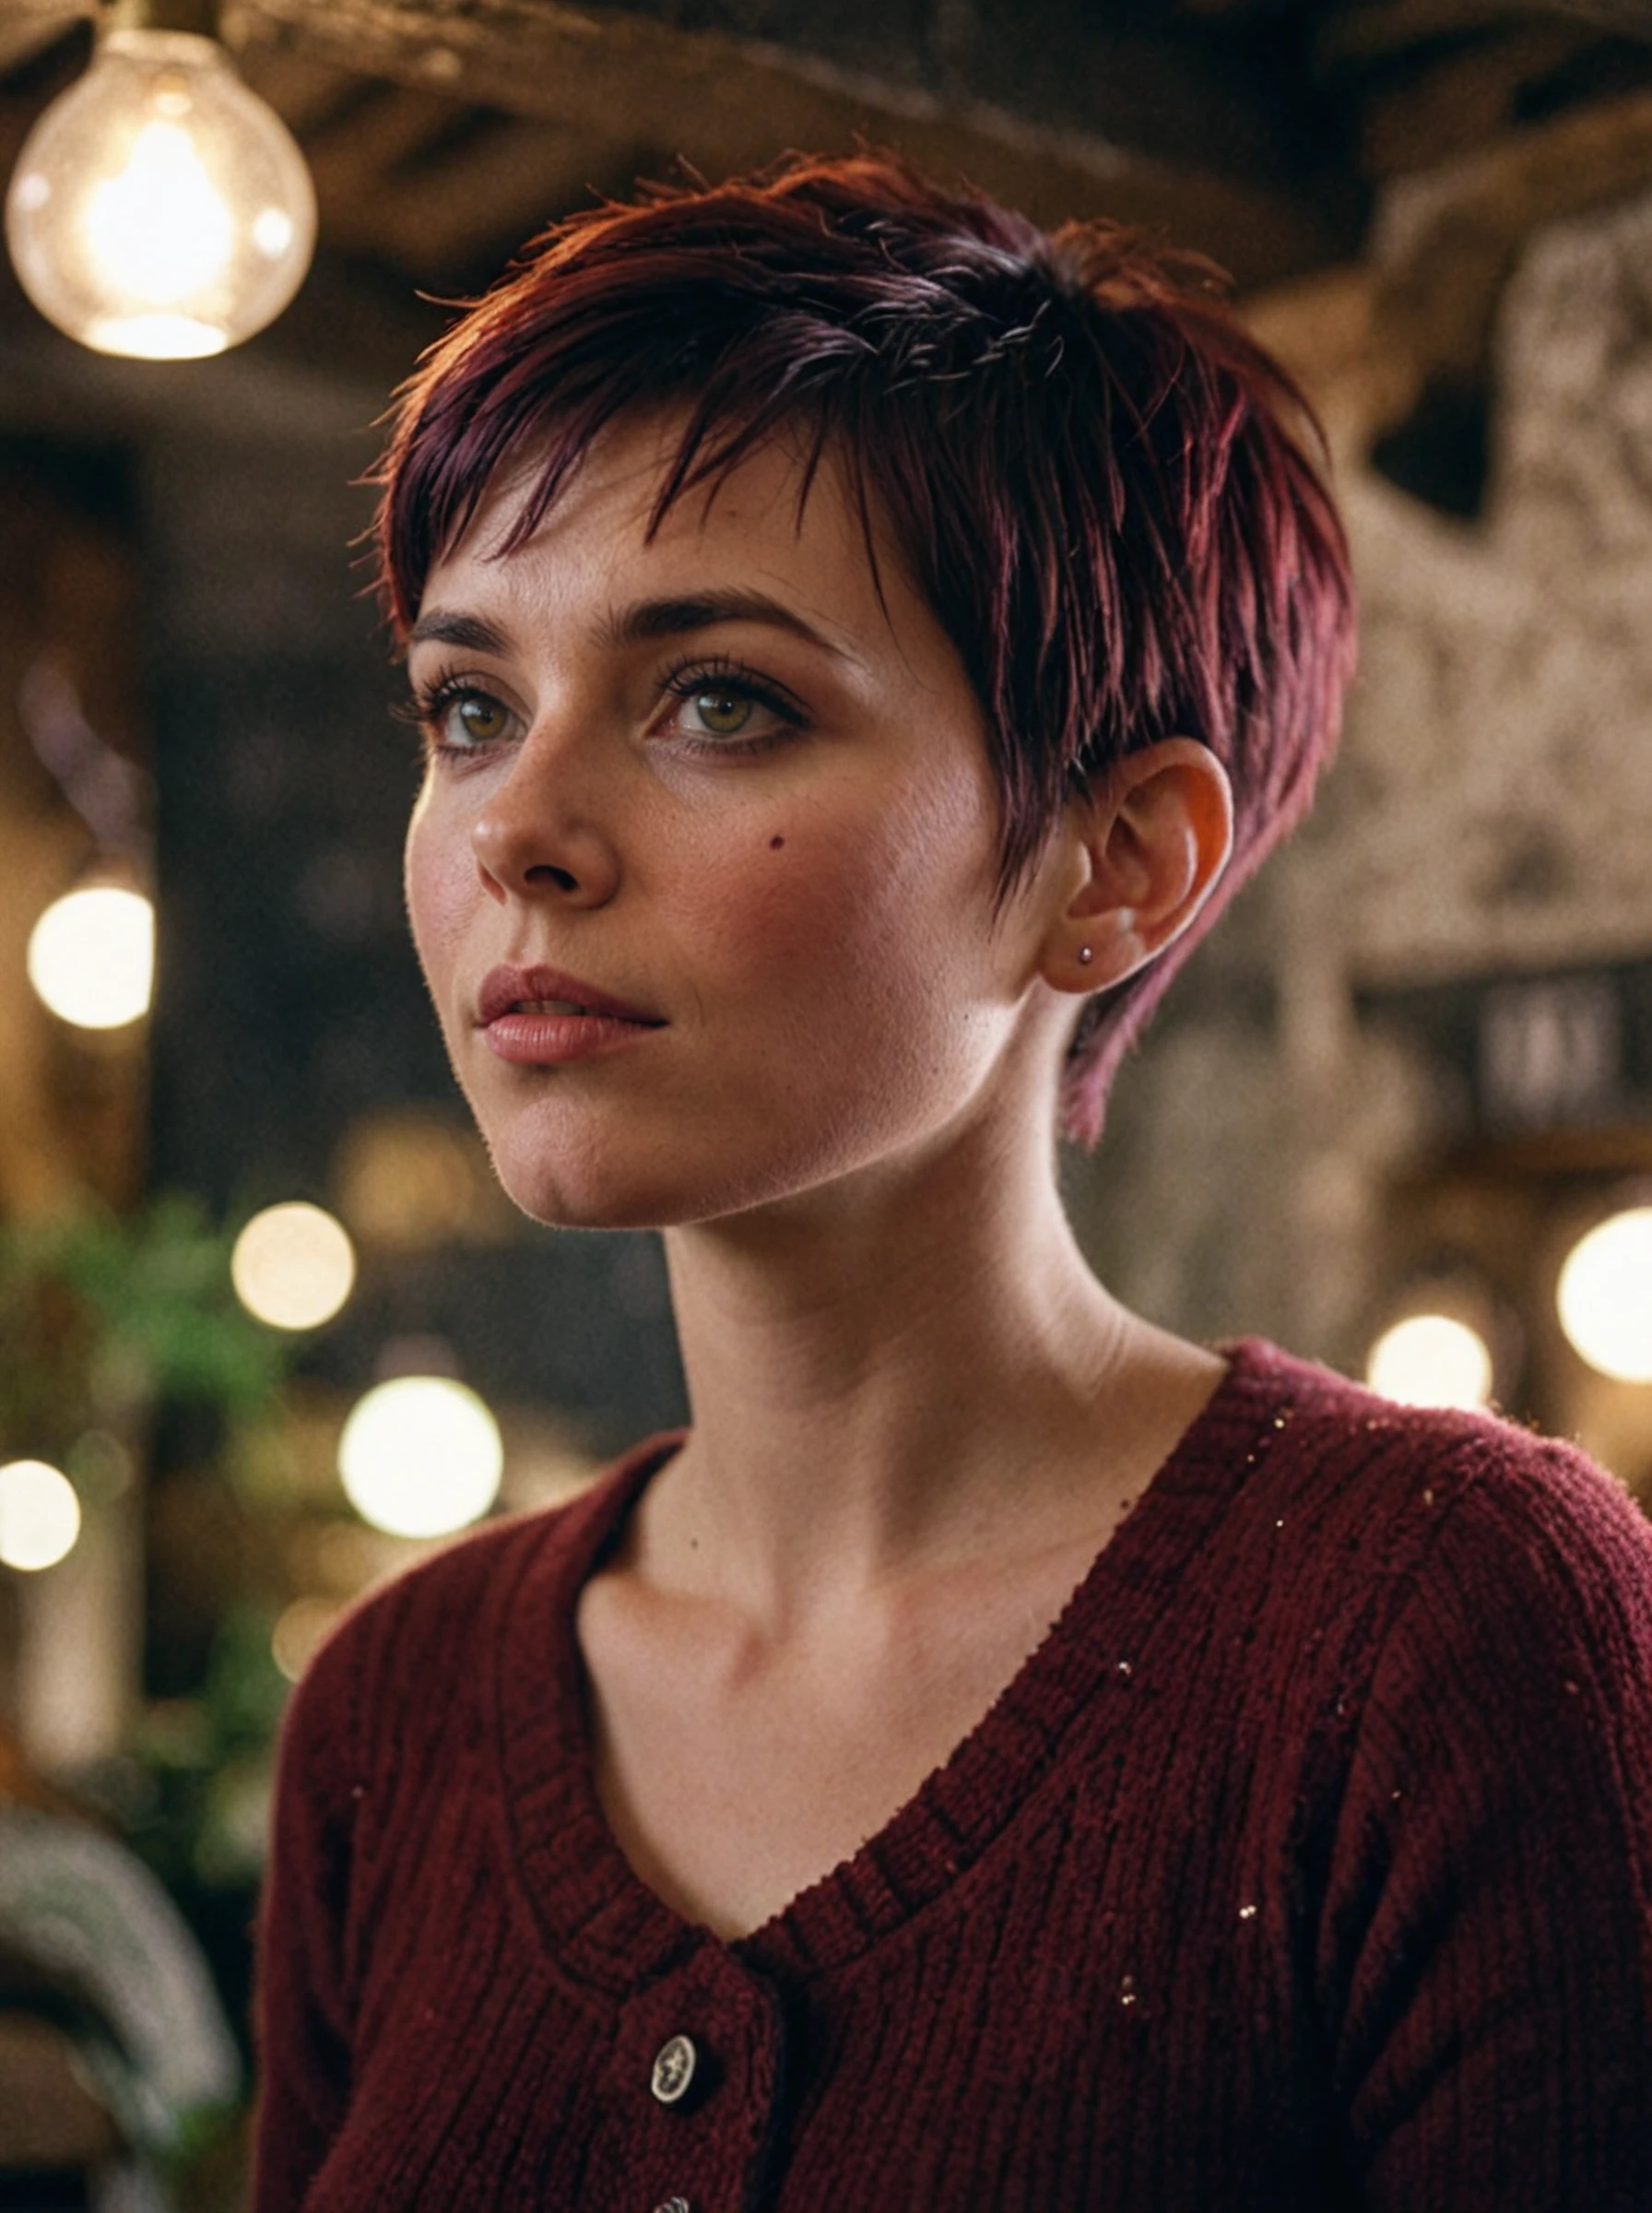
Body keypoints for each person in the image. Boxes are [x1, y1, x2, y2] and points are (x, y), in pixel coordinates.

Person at [253, 154, 1652, 2208]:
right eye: (469, 706)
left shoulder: (1436, 1625)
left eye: (717, 700)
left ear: (1116, 864)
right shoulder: (397, 1713)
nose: (514, 830)